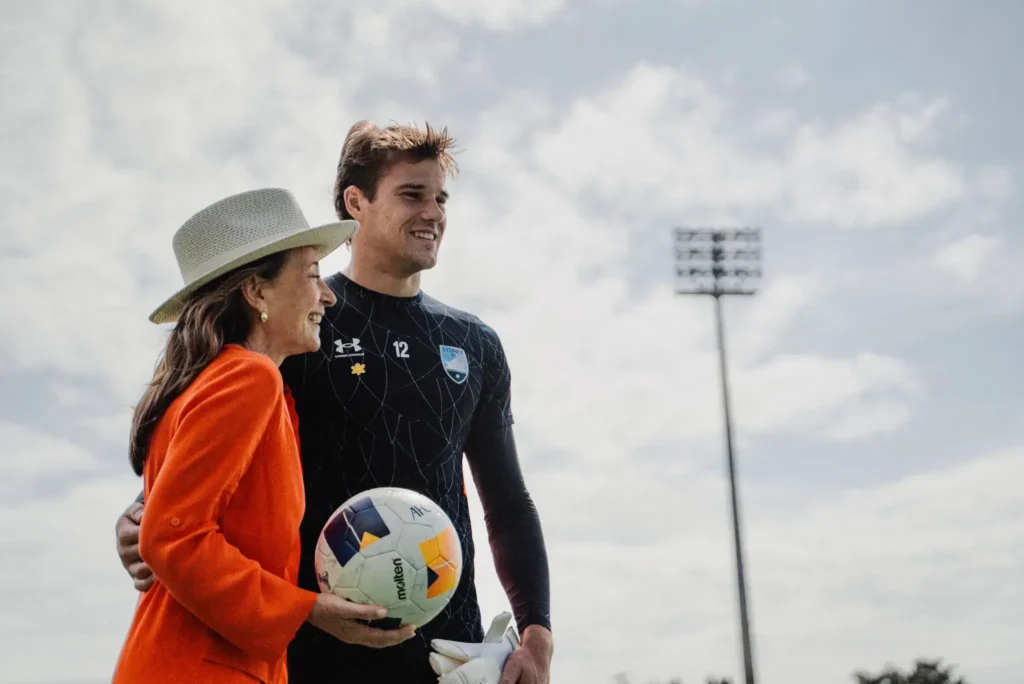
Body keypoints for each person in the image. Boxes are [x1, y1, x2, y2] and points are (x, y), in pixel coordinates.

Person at [115, 123, 554, 683]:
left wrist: (536, 632)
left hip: (445, 650)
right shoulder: (297, 327)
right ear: (356, 202)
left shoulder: (475, 344)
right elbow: (207, 452)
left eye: (441, 198)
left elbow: (509, 502)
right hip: (310, 647)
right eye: (412, 194)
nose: (434, 213)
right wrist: (142, 512)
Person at [111, 188, 419, 684]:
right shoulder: (248, 379)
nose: (328, 294)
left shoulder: (224, 381)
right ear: (257, 292)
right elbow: (172, 536)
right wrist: (309, 610)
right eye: (313, 274)